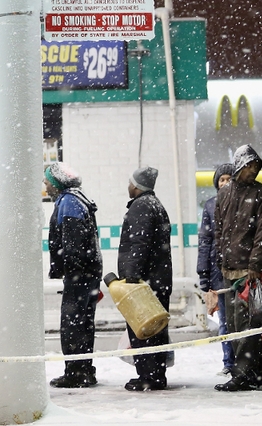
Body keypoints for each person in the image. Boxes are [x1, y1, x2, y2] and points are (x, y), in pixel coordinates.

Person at [213, 144, 262, 391]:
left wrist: (255, 264)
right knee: (239, 324)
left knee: (246, 325)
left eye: (256, 166)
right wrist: (221, 256)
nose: (254, 171)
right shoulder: (225, 193)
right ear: (240, 165)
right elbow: (218, 229)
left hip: (248, 270)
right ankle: (258, 375)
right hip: (229, 268)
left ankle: (243, 375)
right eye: (250, 166)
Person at [44, 162, 103, 388]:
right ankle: (85, 370)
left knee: (73, 326)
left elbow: (73, 245)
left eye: (47, 181)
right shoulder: (78, 198)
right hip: (88, 274)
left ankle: (76, 374)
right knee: (84, 325)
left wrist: (71, 273)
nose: (45, 184)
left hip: (80, 276)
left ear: (58, 182)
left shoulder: (69, 202)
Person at [117, 166, 172, 391]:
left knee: (143, 330)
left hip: (145, 283)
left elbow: (139, 245)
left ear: (137, 186)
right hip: (158, 280)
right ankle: (156, 374)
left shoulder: (141, 206)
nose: (128, 186)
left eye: (130, 182)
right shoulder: (155, 205)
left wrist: (132, 276)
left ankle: (148, 376)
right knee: (156, 330)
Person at [197, 163, 235, 377]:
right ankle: (228, 361)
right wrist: (203, 273)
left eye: (229, 178)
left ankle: (242, 361)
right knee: (225, 321)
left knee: (240, 318)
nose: (225, 183)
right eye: (222, 179)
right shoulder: (210, 206)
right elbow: (205, 241)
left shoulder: (240, 203)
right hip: (217, 272)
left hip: (237, 271)